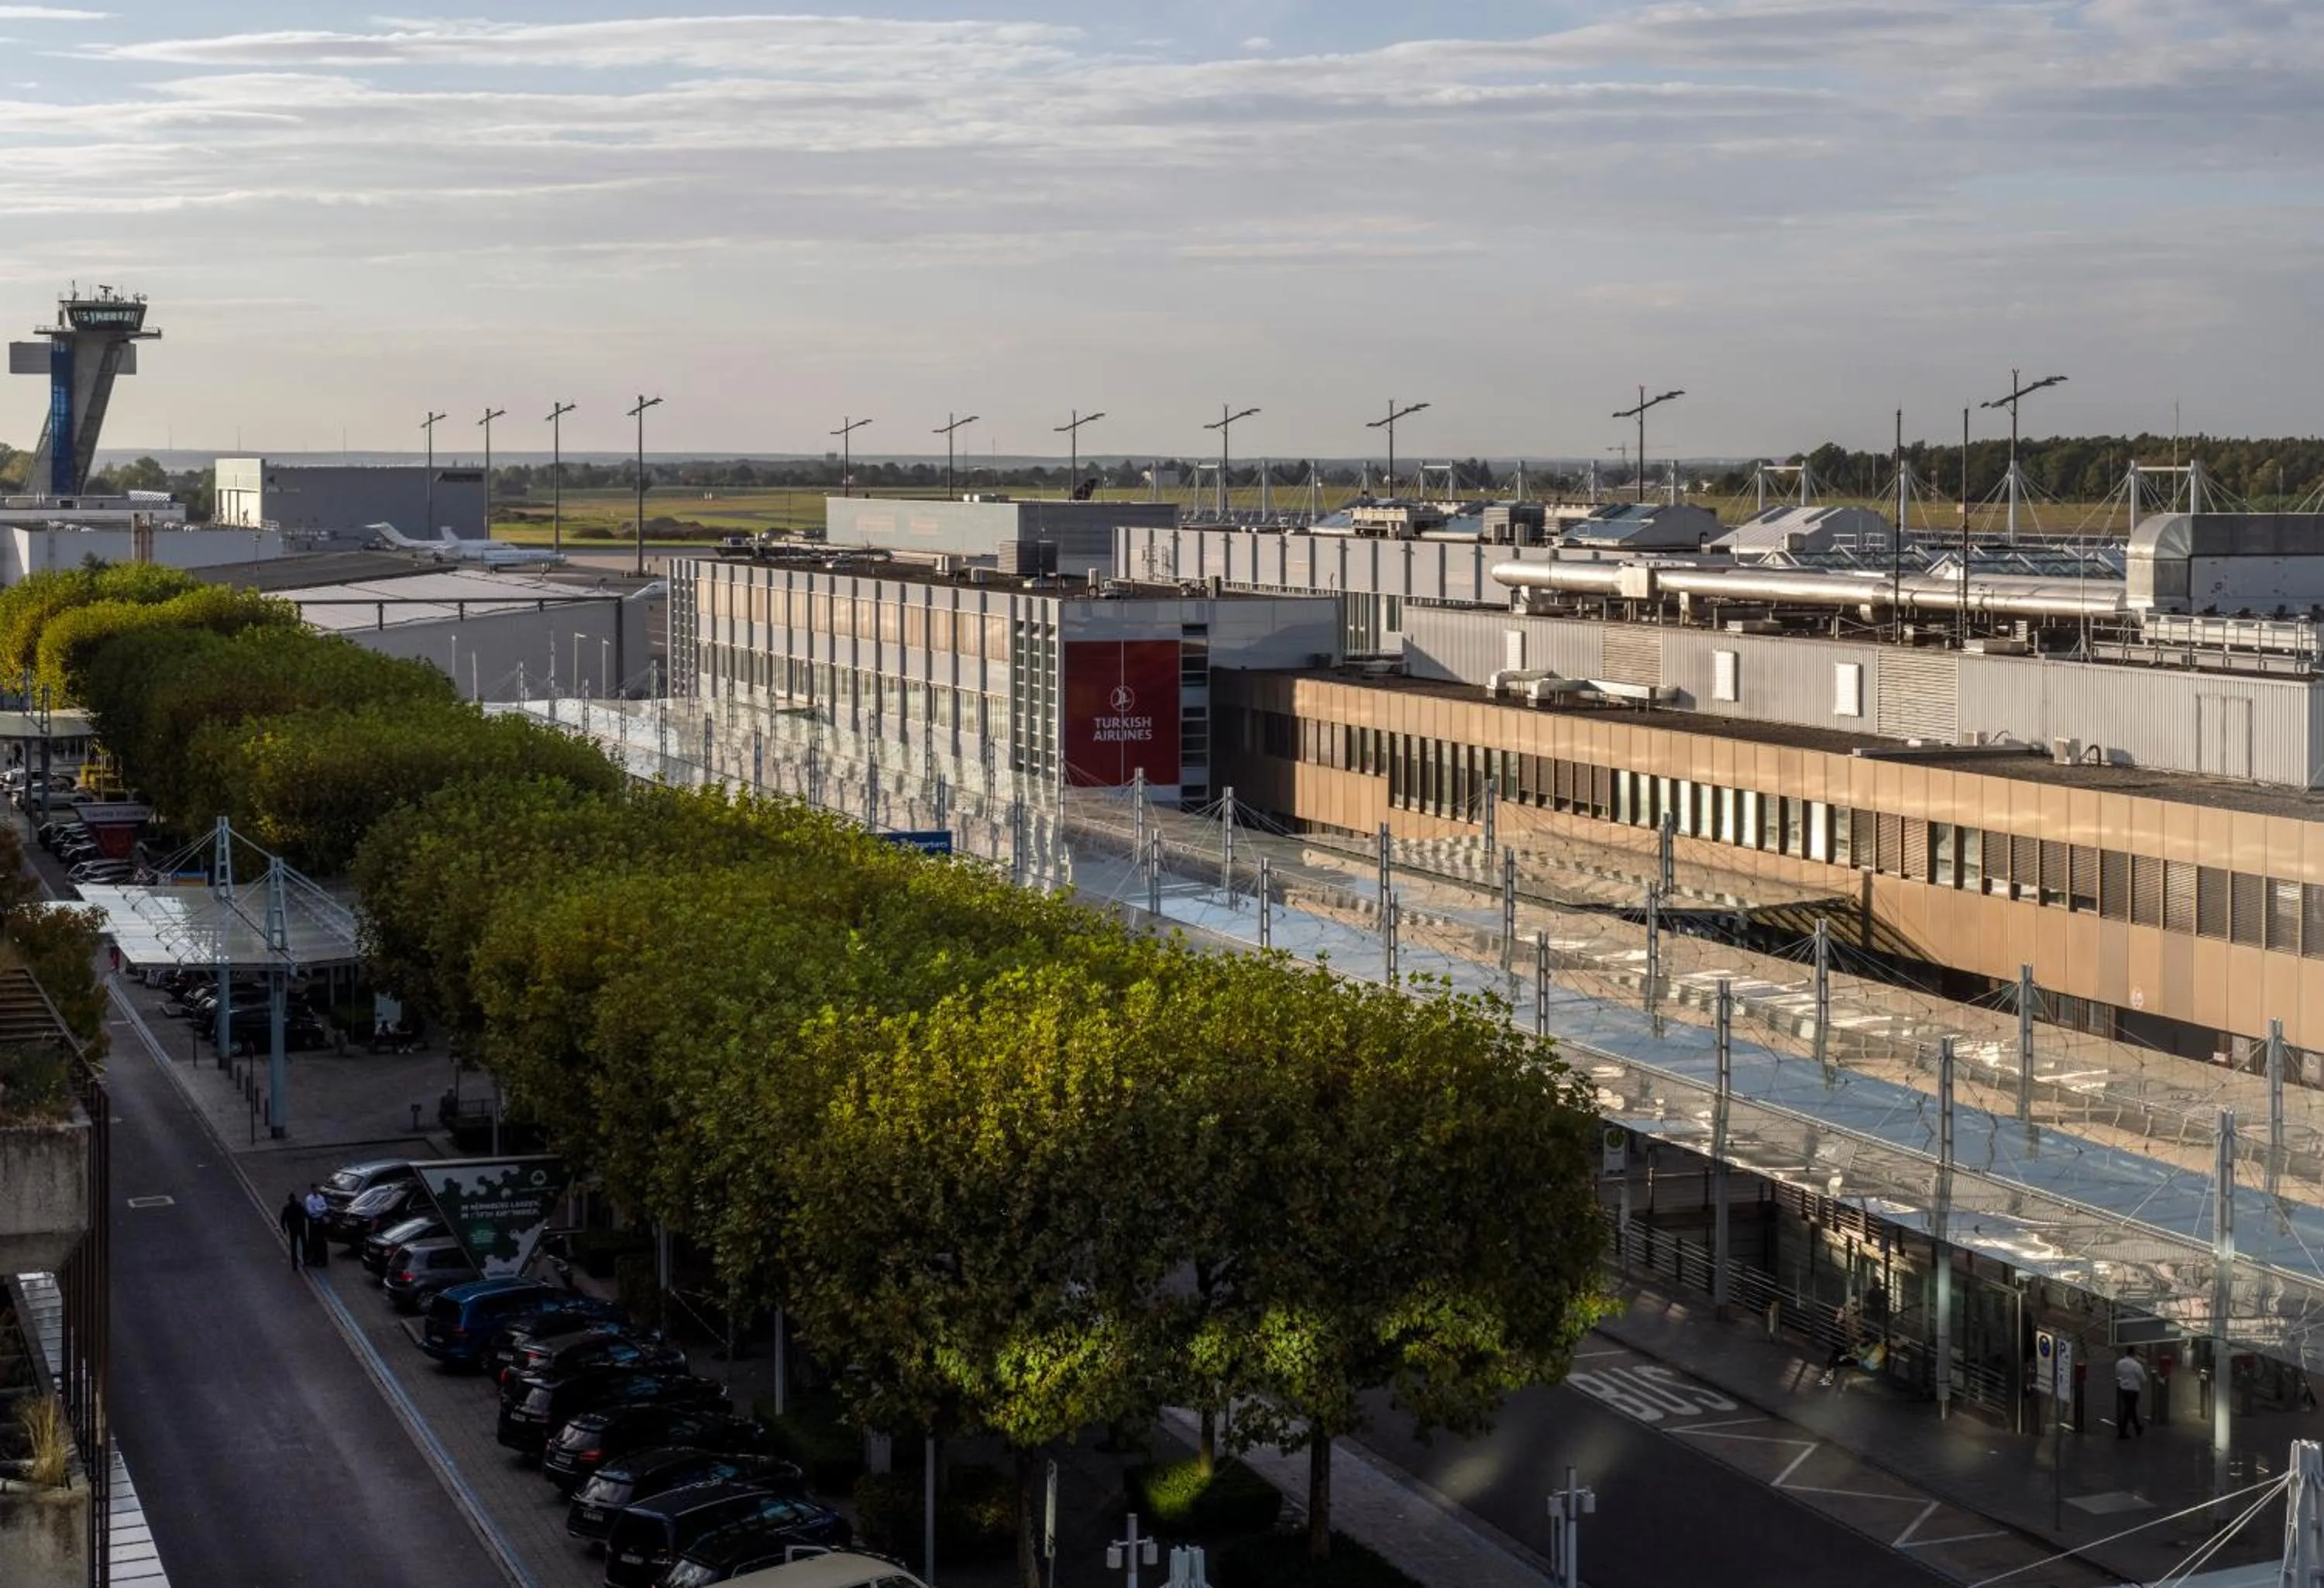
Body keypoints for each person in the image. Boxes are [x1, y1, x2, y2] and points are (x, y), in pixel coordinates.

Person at [2116, 1346, 2147, 1438]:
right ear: (2134, 1353)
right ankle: (2123, 1432)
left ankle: (2137, 1428)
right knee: (2129, 1410)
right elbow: (2143, 1379)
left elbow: (2117, 1375)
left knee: (2130, 1409)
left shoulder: (2119, 1363)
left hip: (2123, 1389)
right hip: (2133, 1390)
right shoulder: (2136, 1365)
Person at [301, 1183, 332, 1267]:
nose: (316, 1190)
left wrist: (318, 1210)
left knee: (321, 1240)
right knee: (313, 1240)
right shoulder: (309, 1199)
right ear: (312, 1189)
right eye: (314, 1189)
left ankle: (321, 1259)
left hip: (320, 1221)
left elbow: (325, 1208)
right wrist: (320, 1210)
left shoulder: (321, 1198)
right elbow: (311, 1211)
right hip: (313, 1222)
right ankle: (313, 1258)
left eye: (317, 1189)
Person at [278, 1191, 308, 1270]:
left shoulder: (287, 1208)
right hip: (300, 1228)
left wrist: (284, 1228)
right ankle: (305, 1260)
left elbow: (282, 1219)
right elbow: (305, 1214)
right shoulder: (299, 1206)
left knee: (294, 1247)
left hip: (293, 1229)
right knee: (304, 1244)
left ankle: (295, 1265)